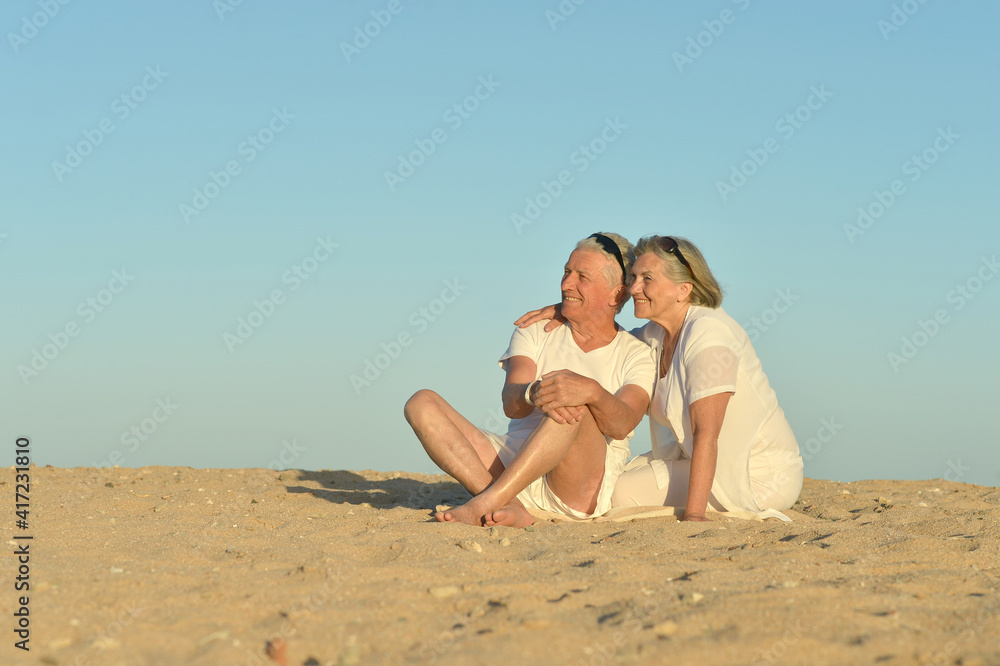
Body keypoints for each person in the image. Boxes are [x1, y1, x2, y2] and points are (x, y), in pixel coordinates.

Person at [516, 236, 803, 521]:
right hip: (694, 462)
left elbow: (707, 433)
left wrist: (694, 516)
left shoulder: (709, 335)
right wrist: (568, 308)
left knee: (617, 495)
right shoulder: (655, 335)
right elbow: (607, 335)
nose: (634, 288)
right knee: (607, 481)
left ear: (683, 290)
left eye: (647, 279)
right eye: (634, 277)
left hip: (756, 475)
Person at [403, 233, 655, 527]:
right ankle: (509, 504)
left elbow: (623, 422)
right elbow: (512, 403)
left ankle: (486, 502)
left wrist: (592, 393)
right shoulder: (535, 330)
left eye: (581, 277)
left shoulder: (636, 353)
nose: (565, 284)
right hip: (513, 467)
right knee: (420, 402)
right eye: (566, 272)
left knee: (575, 406)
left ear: (616, 294)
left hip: (575, 488)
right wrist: (532, 392)